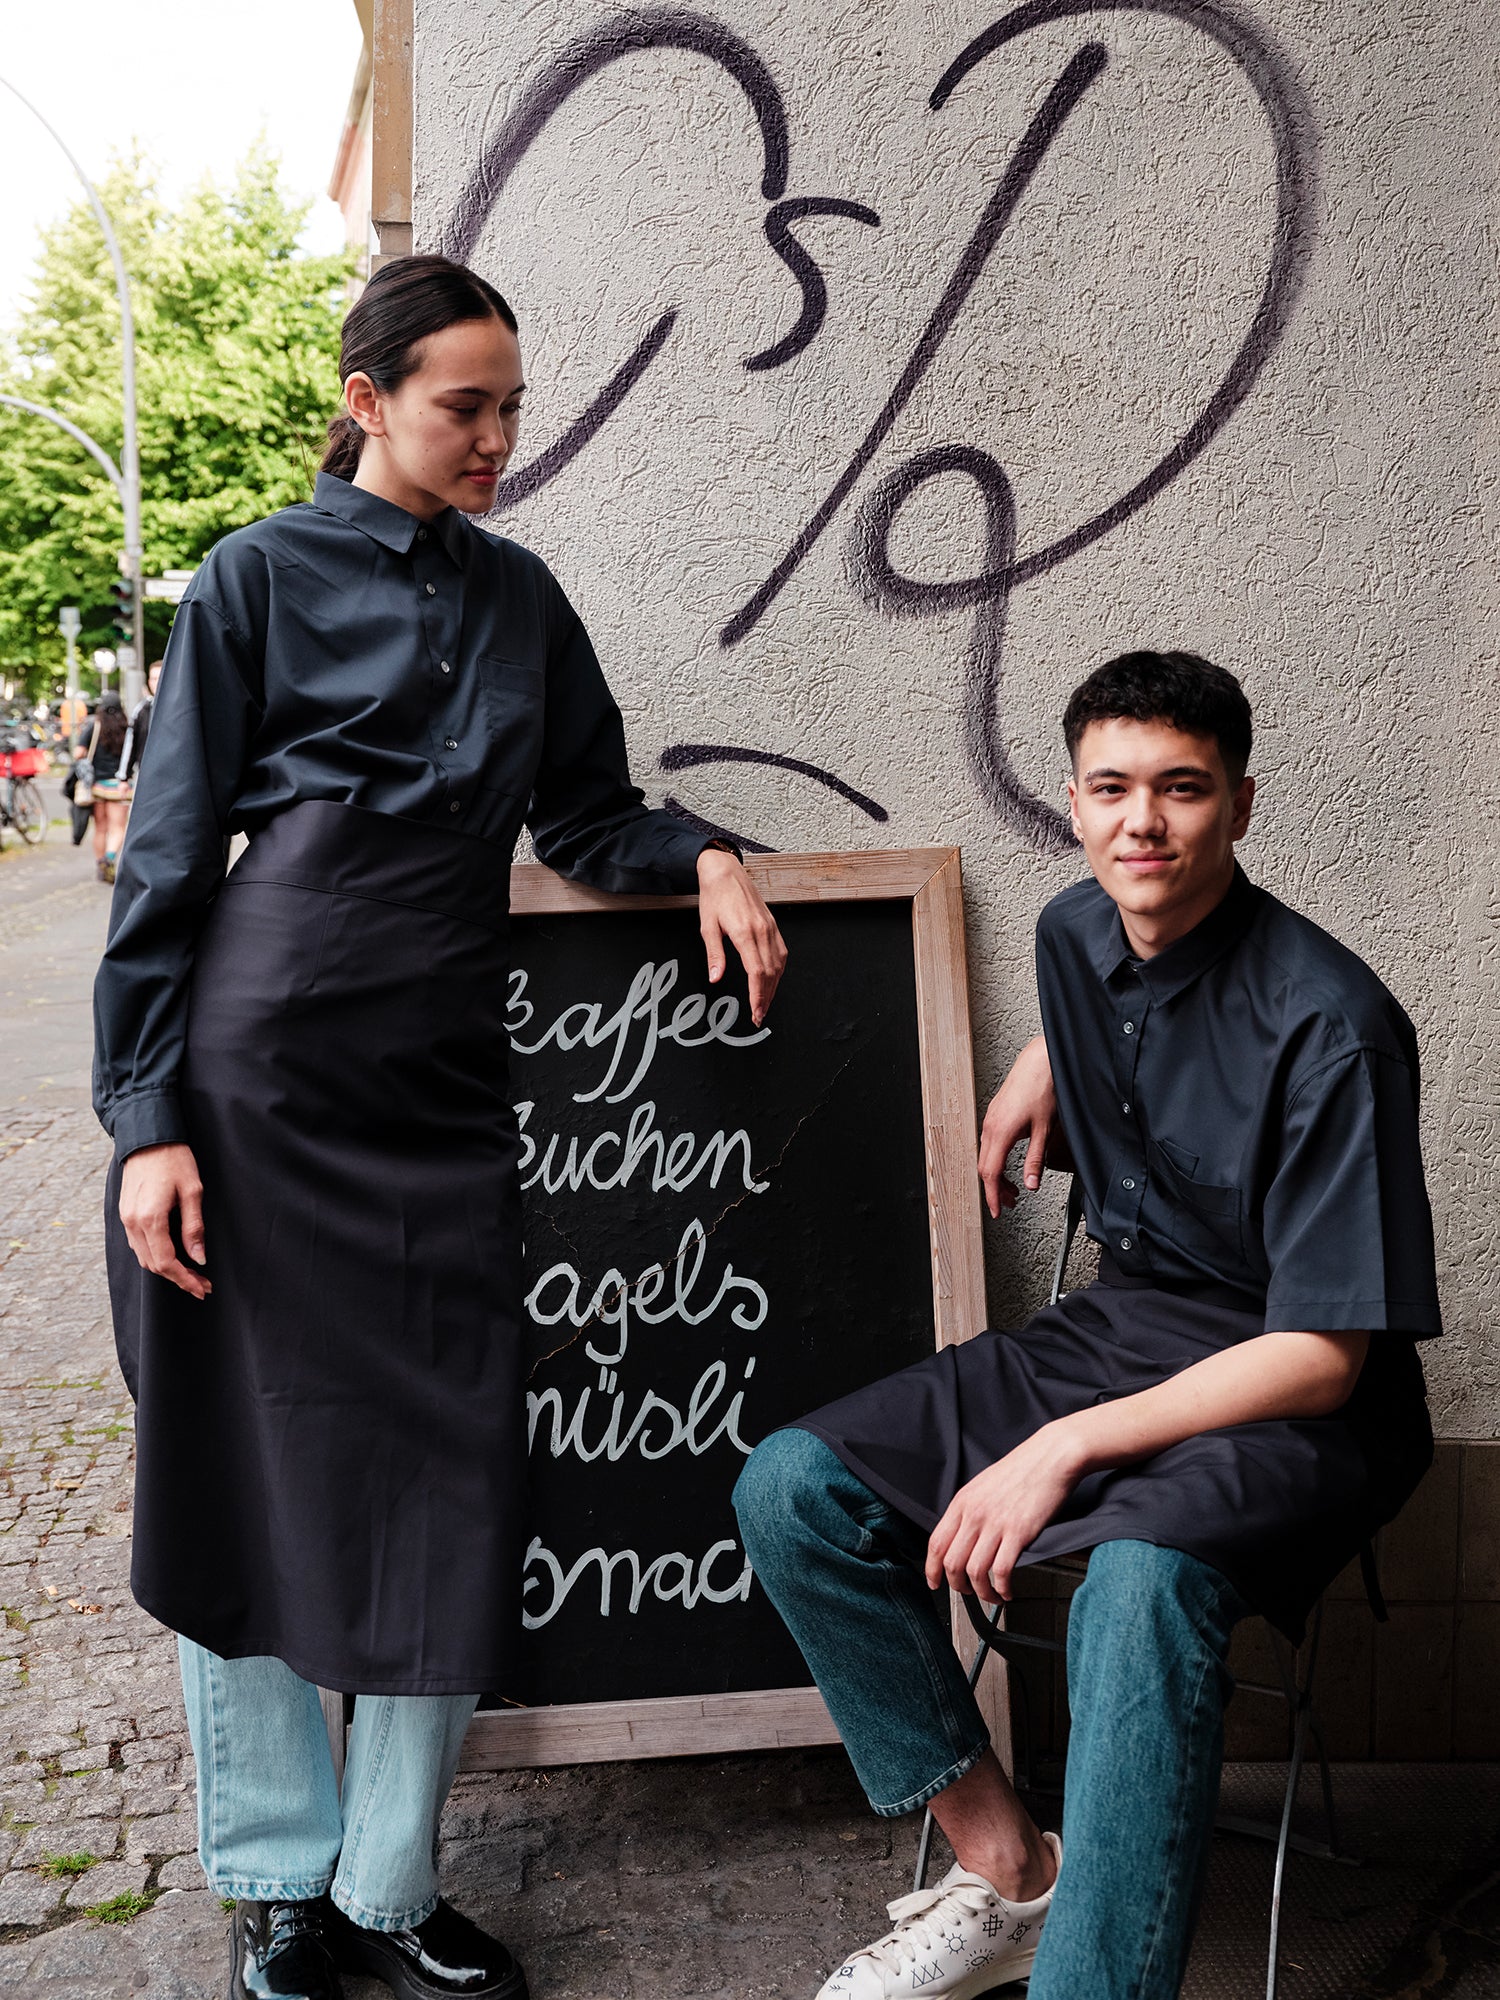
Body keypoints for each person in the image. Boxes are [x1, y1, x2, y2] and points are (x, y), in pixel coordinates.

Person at [93, 254, 788, 2000]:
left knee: (447, 1476)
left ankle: (388, 1886)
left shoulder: (523, 597)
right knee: (242, 1466)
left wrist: (703, 853)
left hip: (442, 1085)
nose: (495, 439)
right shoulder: (254, 579)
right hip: (260, 1076)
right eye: (464, 407)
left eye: (510, 410)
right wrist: (150, 1118)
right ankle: (277, 1893)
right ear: (368, 401)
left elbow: (588, 815)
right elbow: (166, 858)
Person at [734, 651, 1439, 2000]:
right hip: (1126, 1325)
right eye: (1111, 789)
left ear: (1241, 803)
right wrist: (1047, 1054)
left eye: (1183, 789)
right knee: (794, 1488)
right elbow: (1134, 979)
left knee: (1138, 1584)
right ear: (1070, 804)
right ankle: (1010, 1872)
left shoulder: (1336, 1026)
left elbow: (1325, 1356)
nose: (1143, 823)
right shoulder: (1076, 934)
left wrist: (1062, 1447)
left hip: (1297, 1385)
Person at [74, 690, 130, 880]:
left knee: (100, 828)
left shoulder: (94, 726)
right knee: (118, 827)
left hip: (97, 785)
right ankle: (109, 858)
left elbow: (78, 753)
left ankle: (100, 865)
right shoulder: (126, 728)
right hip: (119, 786)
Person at [123, 657, 163, 781]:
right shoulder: (141, 710)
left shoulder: (180, 708)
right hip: (147, 775)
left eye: (160, 678)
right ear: (149, 681)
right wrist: (124, 776)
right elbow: (130, 743)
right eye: (153, 678)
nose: (157, 682)